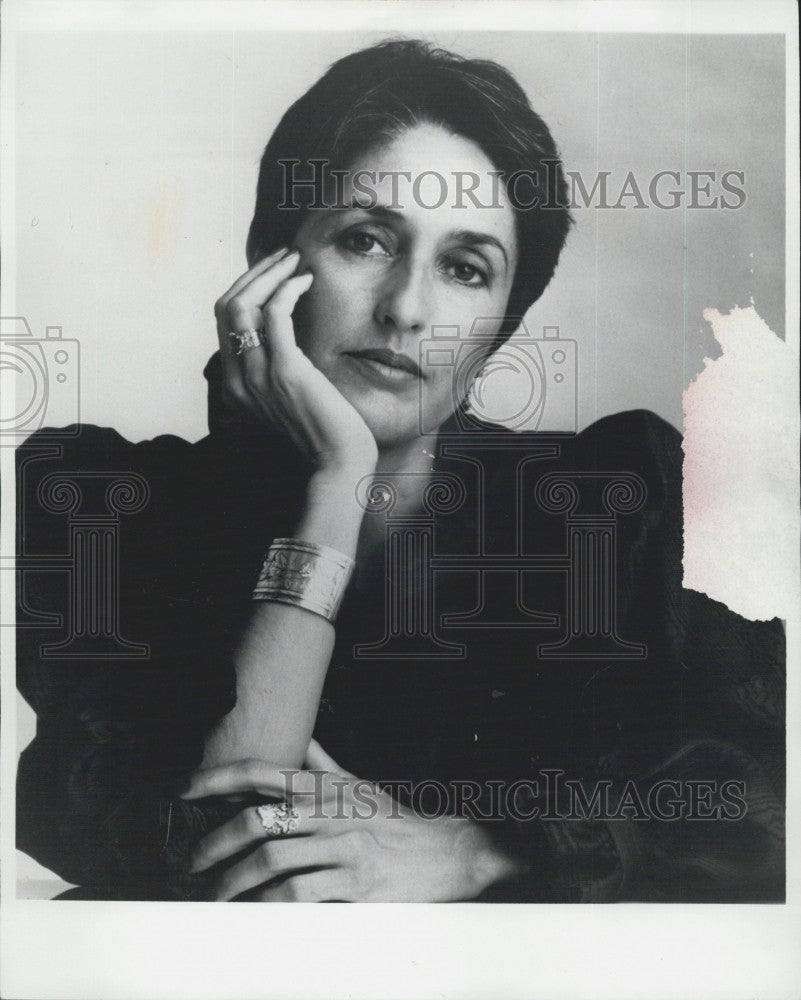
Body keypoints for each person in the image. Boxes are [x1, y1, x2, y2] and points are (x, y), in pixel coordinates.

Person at [16, 39, 784, 902]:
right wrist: (335, 483)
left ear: (500, 325)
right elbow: (203, 850)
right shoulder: (106, 505)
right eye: (366, 240)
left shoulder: (612, 508)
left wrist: (475, 850)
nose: (407, 309)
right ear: (272, 264)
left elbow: (761, 806)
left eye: (464, 268)